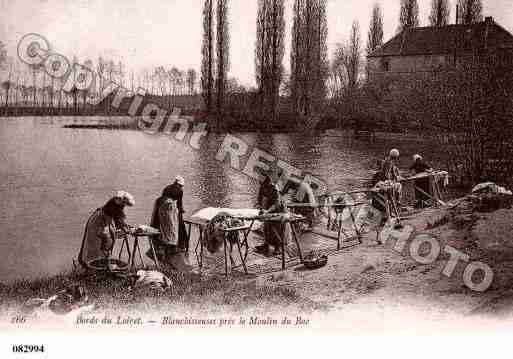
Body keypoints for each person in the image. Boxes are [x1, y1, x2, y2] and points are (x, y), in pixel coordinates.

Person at [78, 191, 135, 270]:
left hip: (102, 221)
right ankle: (92, 266)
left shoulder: (117, 205)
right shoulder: (114, 204)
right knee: (95, 244)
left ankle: (98, 265)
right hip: (97, 223)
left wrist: (125, 226)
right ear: (122, 201)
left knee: (103, 243)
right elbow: (116, 220)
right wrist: (124, 228)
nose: (124, 206)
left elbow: (118, 219)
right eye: (125, 204)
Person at [255, 172, 289, 256]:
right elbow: (259, 199)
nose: (261, 182)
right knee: (266, 227)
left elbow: (277, 204)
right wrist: (260, 207)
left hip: (279, 210)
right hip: (269, 209)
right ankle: (266, 244)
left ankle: (278, 248)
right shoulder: (262, 187)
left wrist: (267, 211)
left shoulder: (274, 188)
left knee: (276, 228)